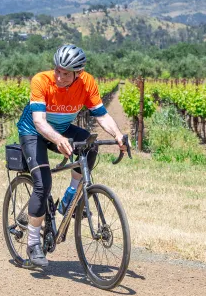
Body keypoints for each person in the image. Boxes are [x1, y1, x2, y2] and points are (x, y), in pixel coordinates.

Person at [16, 44, 128, 267]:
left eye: (65, 73)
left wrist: (118, 135)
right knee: (42, 184)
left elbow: (101, 115)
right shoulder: (41, 80)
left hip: (63, 127)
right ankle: (33, 244)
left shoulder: (87, 83)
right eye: (57, 70)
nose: (59, 76)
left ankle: (69, 197)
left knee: (91, 146)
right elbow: (39, 121)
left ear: (79, 73)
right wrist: (57, 140)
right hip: (33, 132)